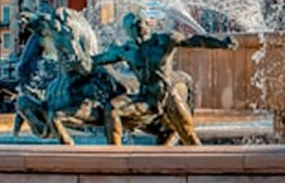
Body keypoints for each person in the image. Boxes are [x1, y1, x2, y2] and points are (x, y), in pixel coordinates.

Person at [92, 13, 235, 145]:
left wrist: (221, 43)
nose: (136, 28)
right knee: (112, 109)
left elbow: (195, 40)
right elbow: (98, 60)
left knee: (190, 137)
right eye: (130, 27)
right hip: (145, 98)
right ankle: (115, 154)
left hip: (167, 97)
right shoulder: (125, 50)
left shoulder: (164, 40)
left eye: (138, 24)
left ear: (148, 24)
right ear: (126, 31)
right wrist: (75, 61)